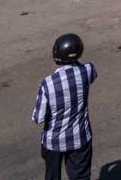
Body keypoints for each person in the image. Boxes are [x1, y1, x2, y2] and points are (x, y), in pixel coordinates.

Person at [32, 33, 96, 180]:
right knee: (80, 177)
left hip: (53, 142)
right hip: (80, 137)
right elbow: (86, 70)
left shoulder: (48, 83)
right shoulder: (88, 71)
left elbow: (38, 118)